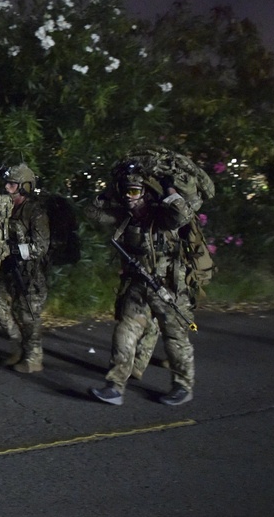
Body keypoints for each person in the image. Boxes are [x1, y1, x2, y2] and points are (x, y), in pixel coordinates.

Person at [85, 169, 197, 406]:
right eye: (126, 191)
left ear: (146, 194)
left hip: (168, 288)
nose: (129, 196)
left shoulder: (162, 216)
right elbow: (92, 212)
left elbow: (183, 215)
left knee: (175, 338)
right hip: (138, 286)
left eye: (135, 191)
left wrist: (169, 190)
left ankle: (182, 386)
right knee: (124, 332)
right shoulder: (125, 217)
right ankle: (115, 386)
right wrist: (109, 190)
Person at [0, 163, 50, 373]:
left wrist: (12, 249)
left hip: (30, 273)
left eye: (13, 184)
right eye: (7, 183)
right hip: (8, 269)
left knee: (29, 318)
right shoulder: (5, 206)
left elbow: (40, 247)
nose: (7, 187)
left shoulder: (35, 212)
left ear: (24, 186)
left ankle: (34, 358)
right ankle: (17, 345)